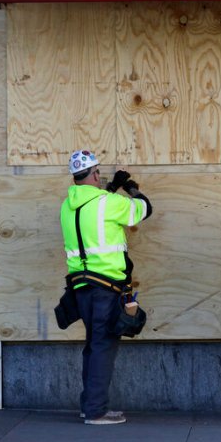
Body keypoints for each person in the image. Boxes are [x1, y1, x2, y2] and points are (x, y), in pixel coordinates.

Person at [60, 149, 152, 425]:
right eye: (98, 173)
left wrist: (112, 188)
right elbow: (145, 208)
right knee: (103, 346)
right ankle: (96, 412)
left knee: (93, 345)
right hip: (105, 289)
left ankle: (89, 405)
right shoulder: (108, 203)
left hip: (81, 289)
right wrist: (130, 187)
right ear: (95, 174)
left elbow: (95, 209)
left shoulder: (68, 205)